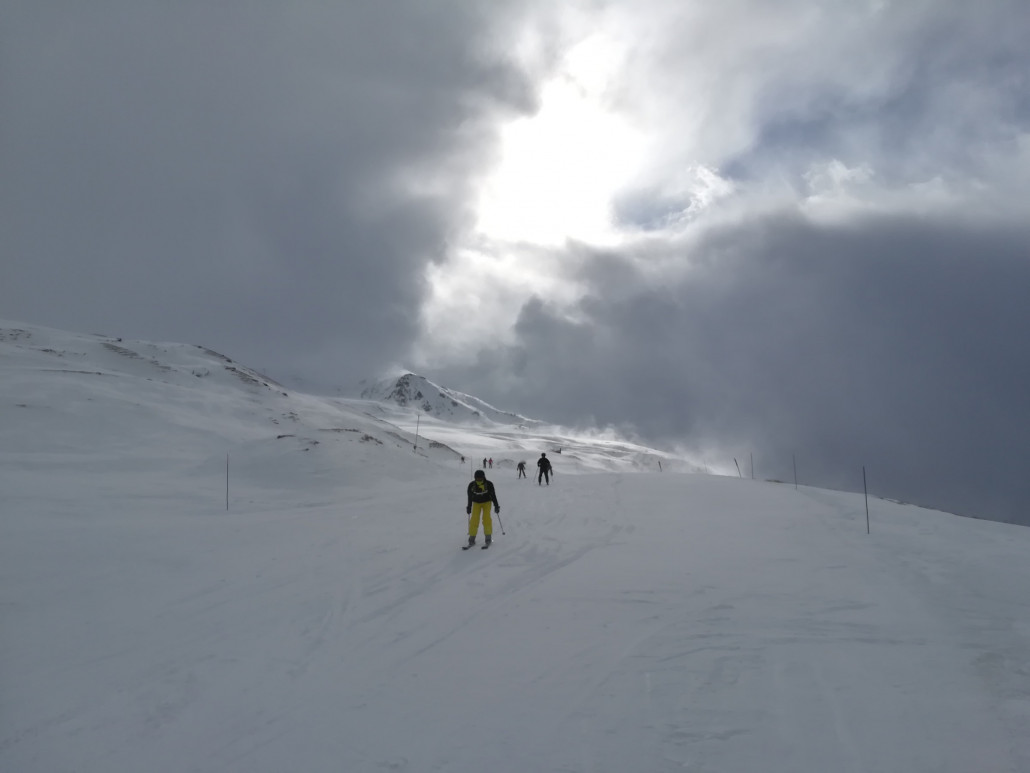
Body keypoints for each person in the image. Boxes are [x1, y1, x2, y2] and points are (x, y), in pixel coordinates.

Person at [465, 469, 500, 547]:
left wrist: (496, 505)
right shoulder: (471, 485)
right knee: (474, 519)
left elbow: (493, 495)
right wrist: (469, 506)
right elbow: (470, 497)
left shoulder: (489, 484)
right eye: (477, 478)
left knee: (486, 518)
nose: (479, 480)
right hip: (476, 503)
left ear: (484, 477)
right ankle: (472, 539)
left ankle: (488, 538)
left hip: (487, 502)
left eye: (480, 478)